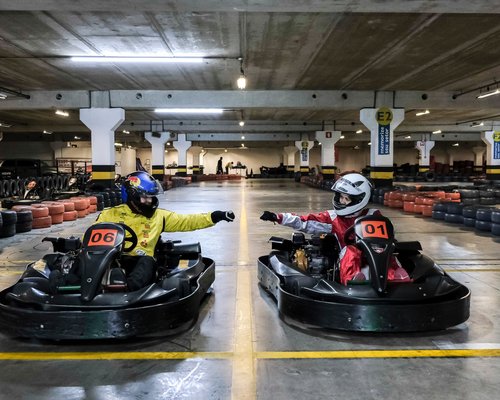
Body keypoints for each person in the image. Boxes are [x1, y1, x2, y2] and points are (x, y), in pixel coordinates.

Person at [260, 172, 409, 285]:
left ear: (359, 199)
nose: (342, 201)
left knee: (387, 250)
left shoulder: (374, 215)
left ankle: (395, 277)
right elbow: (304, 221)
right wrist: (277, 217)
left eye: (347, 198)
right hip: (348, 258)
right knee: (351, 251)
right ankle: (353, 280)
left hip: (374, 256)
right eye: (340, 197)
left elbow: (386, 236)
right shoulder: (332, 218)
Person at [94, 171, 235, 290]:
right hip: (111, 258)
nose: (150, 202)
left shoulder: (159, 216)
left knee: (146, 262)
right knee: (84, 258)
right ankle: (77, 284)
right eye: (145, 198)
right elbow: (92, 238)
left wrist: (215, 216)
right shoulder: (109, 214)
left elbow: (187, 221)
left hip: (140, 260)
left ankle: (127, 293)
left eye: (151, 198)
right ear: (132, 197)